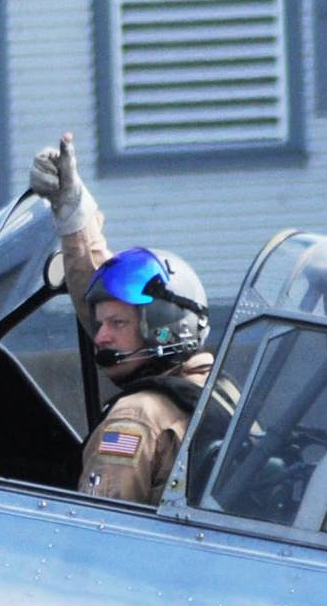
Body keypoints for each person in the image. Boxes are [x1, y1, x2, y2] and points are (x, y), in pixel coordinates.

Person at [28, 133, 214, 504]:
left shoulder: (135, 419)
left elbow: (97, 533)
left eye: (119, 324)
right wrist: (73, 214)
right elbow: (103, 293)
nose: (101, 337)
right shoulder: (214, 393)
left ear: (163, 333)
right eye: (102, 324)